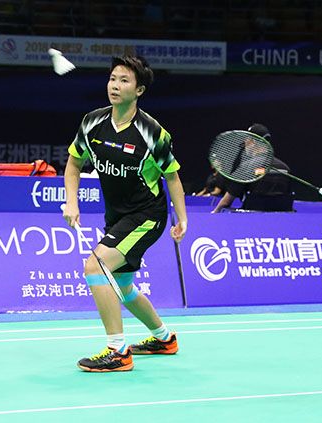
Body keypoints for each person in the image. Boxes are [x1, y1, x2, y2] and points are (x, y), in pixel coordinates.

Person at [63, 55, 188, 372]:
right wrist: (72, 202)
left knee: (96, 265)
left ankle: (117, 350)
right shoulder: (92, 122)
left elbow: (171, 176)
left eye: (124, 81)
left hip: (147, 215)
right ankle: (163, 338)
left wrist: (182, 218)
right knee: (124, 285)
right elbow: (74, 163)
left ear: (139, 90)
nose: (115, 86)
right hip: (117, 216)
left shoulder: (152, 133)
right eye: (112, 79)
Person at [211, 123, 294, 213]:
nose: (245, 145)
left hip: (251, 220)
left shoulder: (245, 167)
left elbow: (226, 202)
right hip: (281, 220)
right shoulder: (285, 168)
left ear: (252, 142)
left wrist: (215, 212)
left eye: (246, 141)